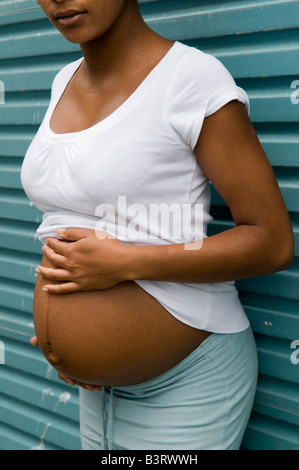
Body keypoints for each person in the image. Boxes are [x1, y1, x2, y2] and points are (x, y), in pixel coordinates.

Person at [21, 0, 294, 450]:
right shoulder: (63, 80)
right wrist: (69, 343)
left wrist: (124, 263)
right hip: (97, 389)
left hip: (187, 380)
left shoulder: (190, 79)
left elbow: (271, 241)